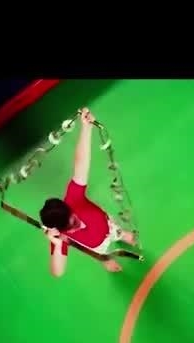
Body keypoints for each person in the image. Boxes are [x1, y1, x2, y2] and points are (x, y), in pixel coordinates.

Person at [38, 107, 138, 276]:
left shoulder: (73, 198)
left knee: (116, 231)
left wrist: (86, 128)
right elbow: (57, 272)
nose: (78, 223)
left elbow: (81, 164)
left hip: (107, 225)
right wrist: (56, 244)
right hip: (96, 246)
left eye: (73, 218)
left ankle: (120, 236)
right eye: (71, 226)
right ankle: (106, 260)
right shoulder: (59, 236)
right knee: (102, 254)